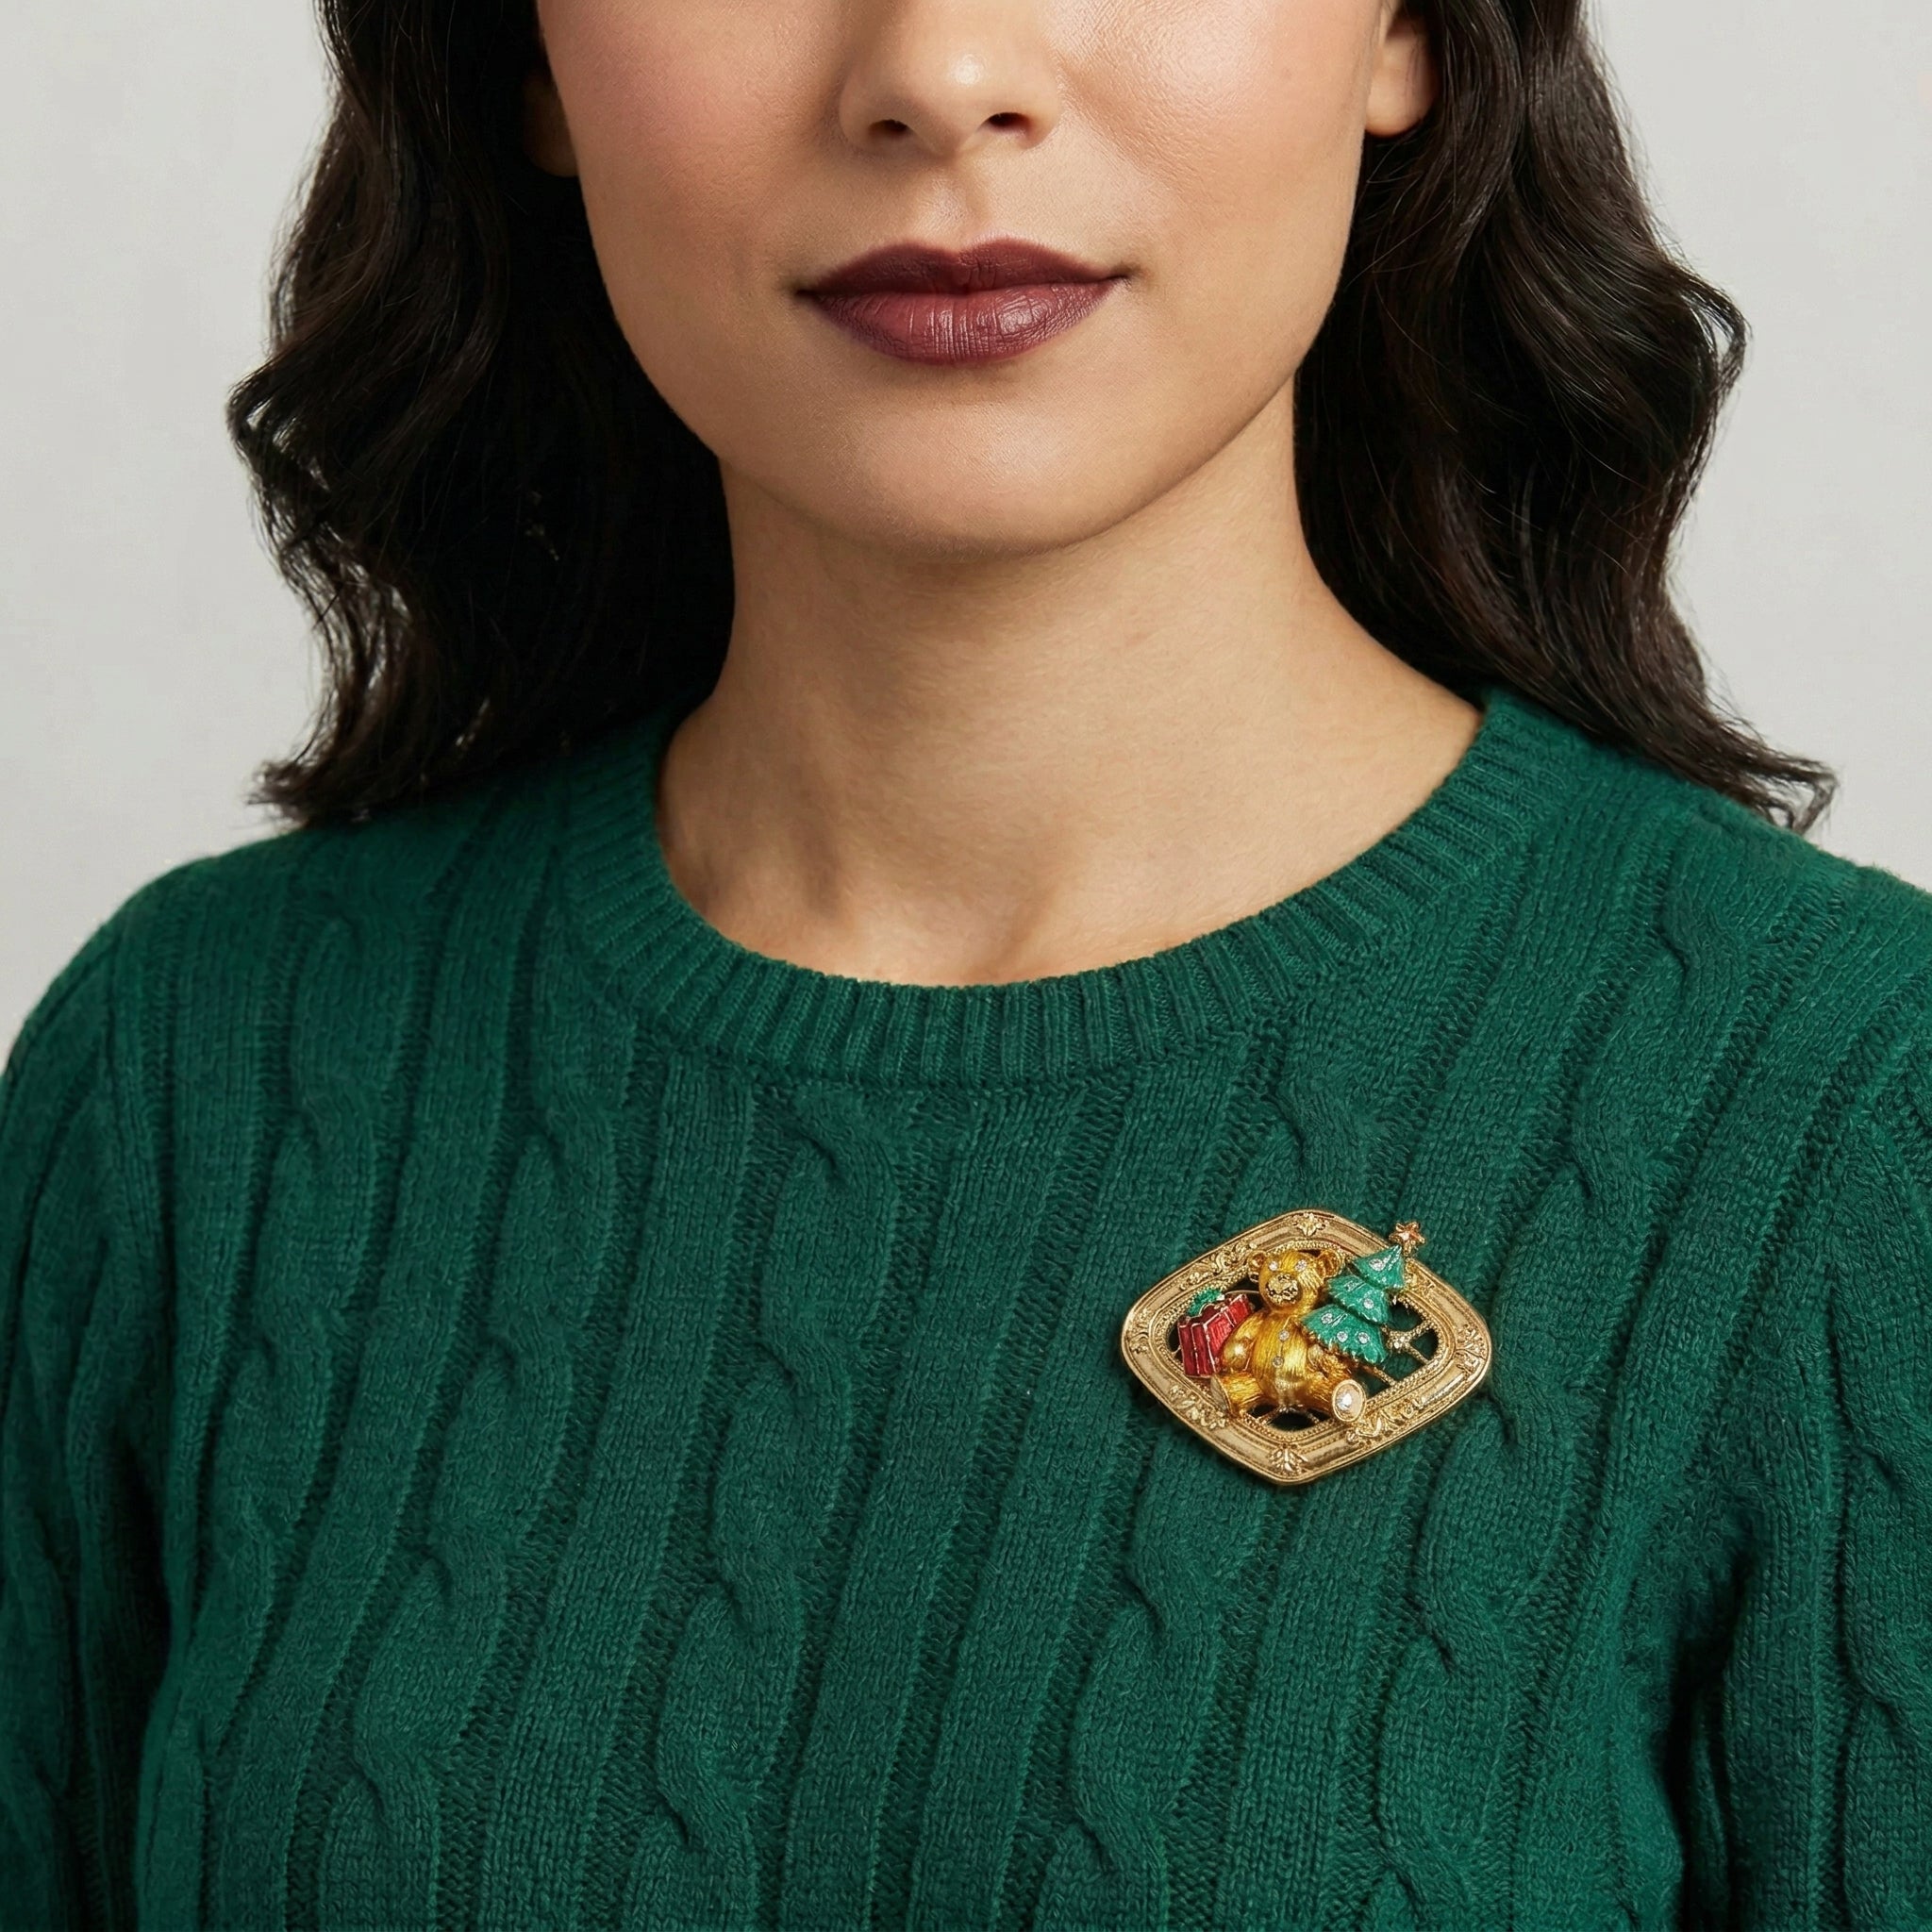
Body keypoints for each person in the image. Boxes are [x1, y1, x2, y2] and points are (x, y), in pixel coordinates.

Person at [3, 0, 1927, 1924]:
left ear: (1407, 32)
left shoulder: (1839, 1113)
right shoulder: (187, 1089)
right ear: (523, 64)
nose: (937, 69)